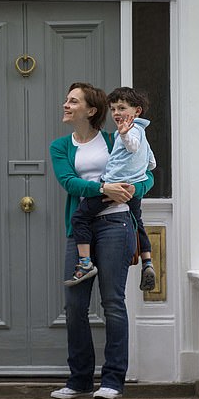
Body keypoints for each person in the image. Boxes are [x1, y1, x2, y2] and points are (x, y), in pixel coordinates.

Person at [49, 82, 142, 399]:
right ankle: (79, 380)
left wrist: (128, 190)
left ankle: (113, 380)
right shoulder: (60, 147)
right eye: (66, 99)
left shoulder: (114, 140)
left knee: (113, 303)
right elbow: (69, 182)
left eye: (72, 101)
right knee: (74, 307)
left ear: (90, 110)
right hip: (81, 230)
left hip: (115, 224)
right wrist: (104, 189)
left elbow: (145, 173)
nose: (65, 104)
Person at [66, 86, 157, 291]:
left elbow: (132, 146)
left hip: (115, 188)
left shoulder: (127, 133)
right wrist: (139, 175)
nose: (116, 113)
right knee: (138, 222)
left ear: (137, 111)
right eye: (113, 109)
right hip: (128, 188)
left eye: (122, 108)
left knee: (79, 217)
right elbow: (151, 162)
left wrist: (124, 136)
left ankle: (85, 263)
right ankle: (147, 262)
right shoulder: (142, 132)